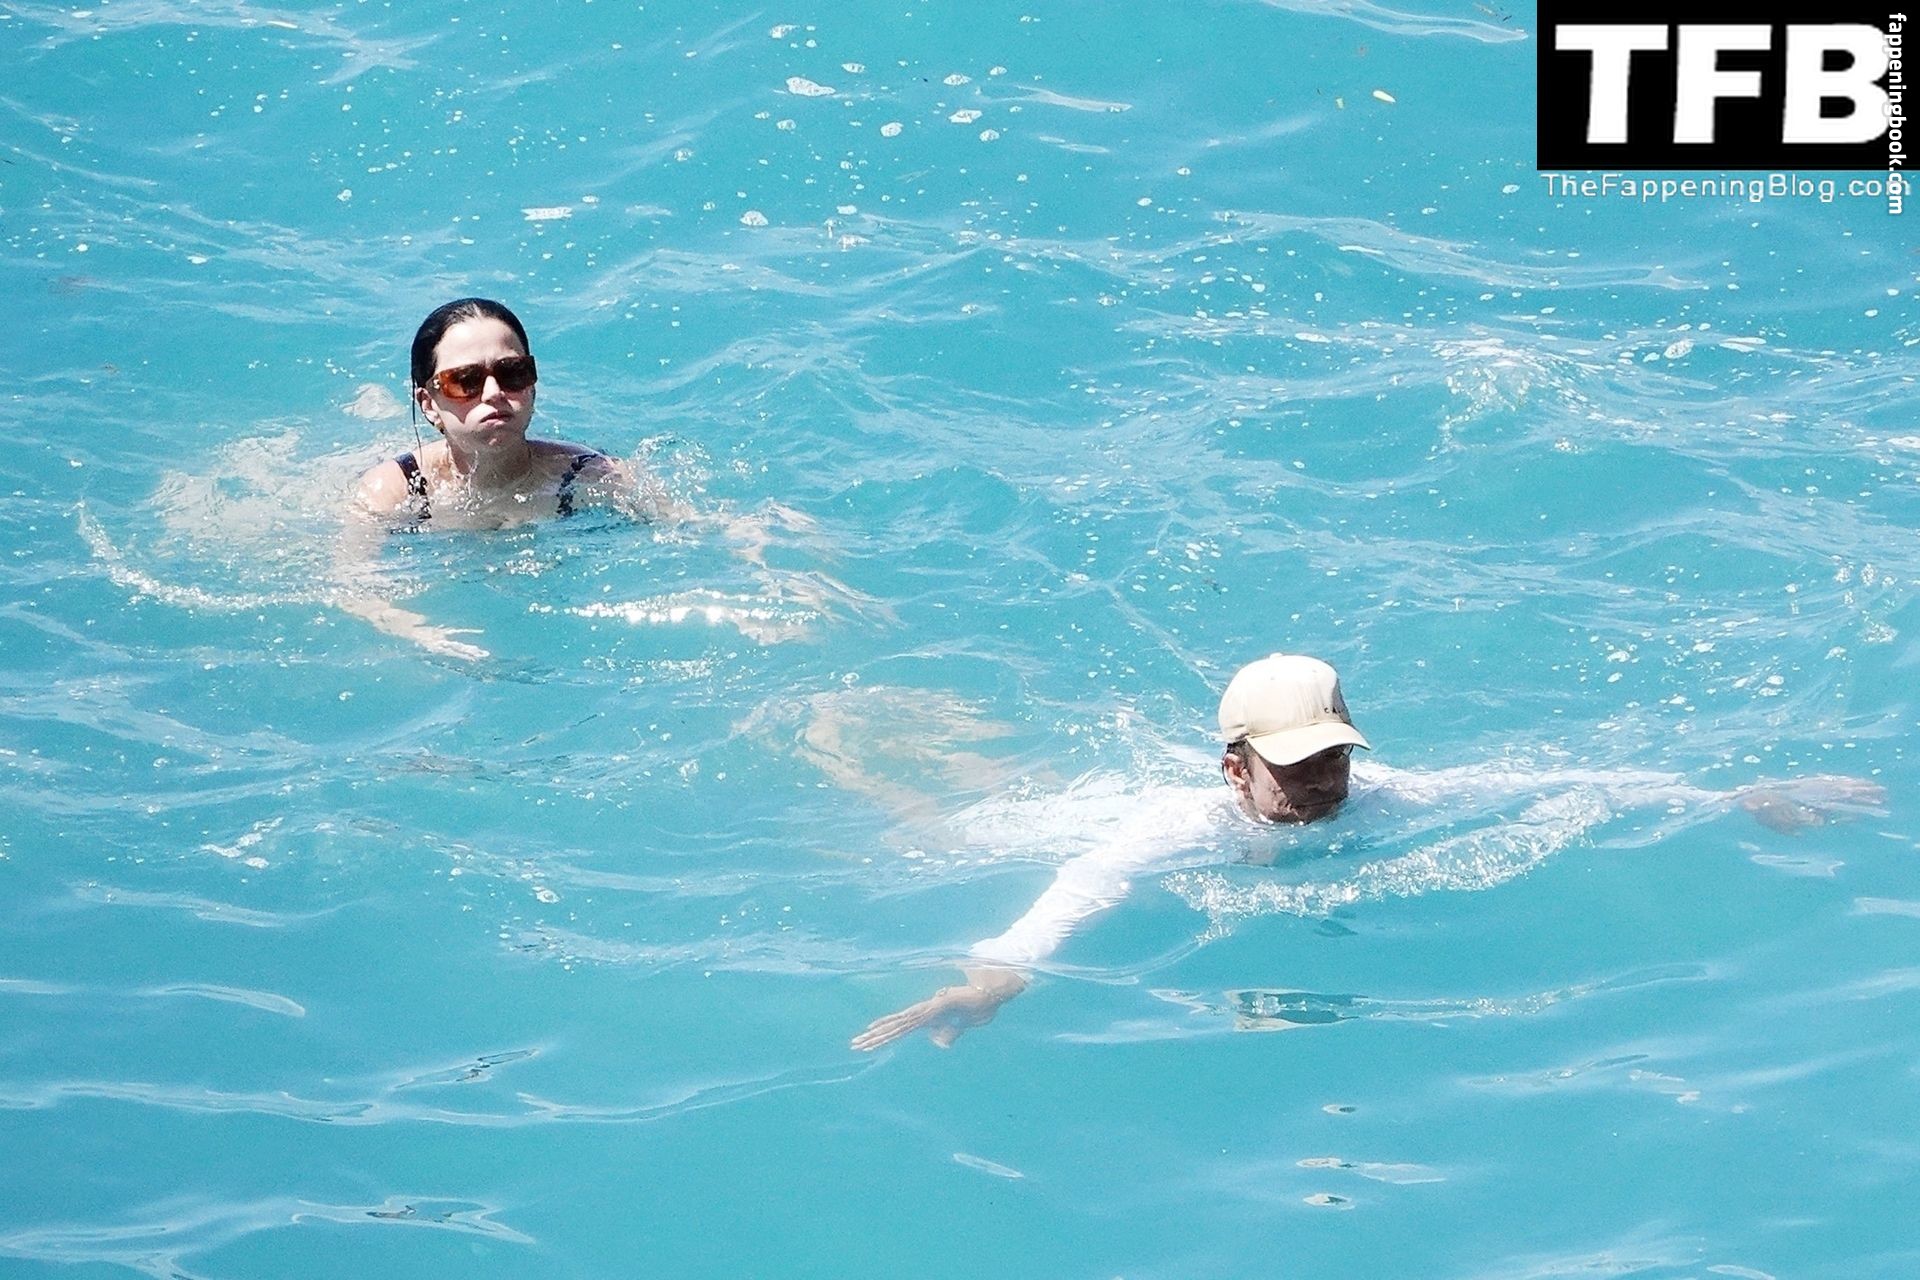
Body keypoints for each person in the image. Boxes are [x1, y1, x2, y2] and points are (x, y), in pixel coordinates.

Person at [850, 653, 1884, 1051]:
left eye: (1334, 756)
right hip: (1040, 819)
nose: (1322, 783)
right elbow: (1079, 889)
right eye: (1294, 763)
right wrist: (993, 978)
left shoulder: (1387, 800)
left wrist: (1732, 798)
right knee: (922, 816)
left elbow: (1561, 783)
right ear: (1233, 767)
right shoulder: (1175, 828)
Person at [337, 298, 673, 657]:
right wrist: (426, 636)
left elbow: (690, 529)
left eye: (512, 372)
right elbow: (351, 586)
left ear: (533, 385)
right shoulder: (394, 490)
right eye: (465, 380)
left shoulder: (587, 474)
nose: (494, 393)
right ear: (429, 403)